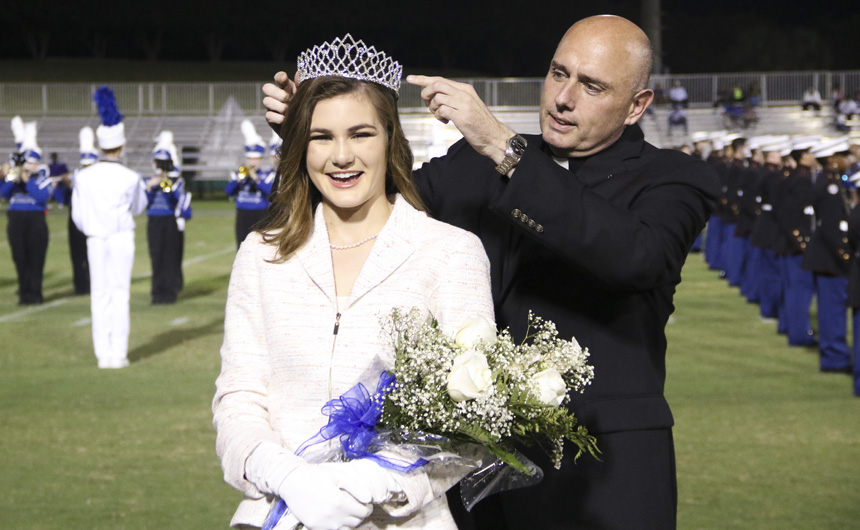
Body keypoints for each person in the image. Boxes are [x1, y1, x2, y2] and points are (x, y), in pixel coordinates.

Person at [262, 14, 719, 530]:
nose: (563, 98)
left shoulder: (675, 178)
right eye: (558, 73)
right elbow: (369, 211)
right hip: (470, 471)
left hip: (605, 472)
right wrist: (313, 140)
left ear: (637, 105)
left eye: (591, 86)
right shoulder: (473, 161)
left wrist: (506, 148)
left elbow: (635, 256)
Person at [213, 35, 495, 530]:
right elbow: (239, 398)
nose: (341, 155)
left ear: (390, 138)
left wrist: (370, 483)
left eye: (361, 134)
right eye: (321, 137)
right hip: (276, 515)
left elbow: (475, 415)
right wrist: (287, 475)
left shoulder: (451, 252)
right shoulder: (261, 253)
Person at [72, 86, 147, 369]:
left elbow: (78, 217)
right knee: (120, 294)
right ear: (121, 146)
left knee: (99, 294)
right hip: (121, 237)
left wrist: (94, 227)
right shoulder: (130, 176)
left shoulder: (83, 176)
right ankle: (119, 353)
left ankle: (103, 354)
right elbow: (138, 208)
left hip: (95, 238)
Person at [802, 138, 853, 372]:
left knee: (831, 307)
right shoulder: (831, 186)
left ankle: (833, 353)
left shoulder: (829, 181)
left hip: (825, 254)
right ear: (832, 160)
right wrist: (845, 256)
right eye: (842, 155)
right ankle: (835, 357)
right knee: (833, 309)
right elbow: (832, 228)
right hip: (830, 257)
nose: (847, 160)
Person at [1, 117, 52, 305]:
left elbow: (42, 197)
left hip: (35, 220)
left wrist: (26, 179)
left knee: (36, 258)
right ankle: (24, 293)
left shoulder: (42, 176)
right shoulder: (15, 175)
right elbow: (3, 193)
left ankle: (36, 294)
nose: (28, 166)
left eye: (31, 163)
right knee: (20, 257)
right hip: (16, 219)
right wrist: (13, 175)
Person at [144, 131, 186, 304]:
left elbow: (176, 202)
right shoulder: (148, 181)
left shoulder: (176, 181)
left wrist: (167, 185)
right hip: (154, 221)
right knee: (156, 257)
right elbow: (143, 203)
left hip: (169, 221)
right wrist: (149, 187)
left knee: (169, 257)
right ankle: (157, 293)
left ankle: (169, 294)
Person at [53, 135, 97, 296]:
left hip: (93, 220)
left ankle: (94, 284)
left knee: (94, 255)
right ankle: (80, 286)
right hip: (75, 222)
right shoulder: (76, 176)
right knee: (77, 256)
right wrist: (61, 187)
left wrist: (71, 184)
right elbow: (63, 199)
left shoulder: (97, 178)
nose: (86, 166)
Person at [225, 120, 275, 248]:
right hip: (242, 212)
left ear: (261, 159)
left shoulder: (267, 175)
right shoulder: (239, 174)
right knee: (241, 244)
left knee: (260, 246)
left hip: (260, 213)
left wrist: (256, 179)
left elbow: (270, 192)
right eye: (249, 158)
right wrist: (239, 180)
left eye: (255, 159)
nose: (252, 162)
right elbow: (228, 191)